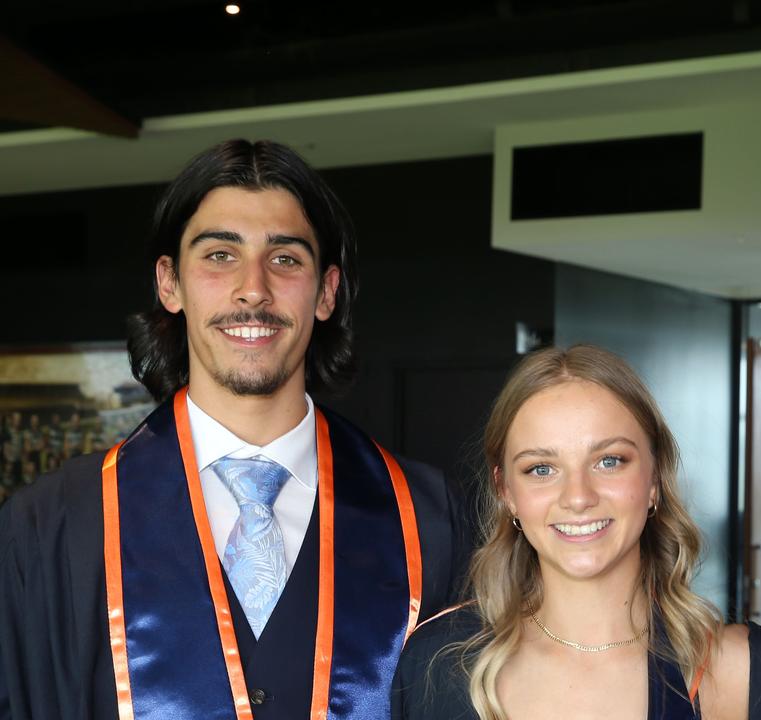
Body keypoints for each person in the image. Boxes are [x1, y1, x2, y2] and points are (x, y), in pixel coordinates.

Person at [0, 139, 471, 719]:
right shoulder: (53, 528)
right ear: (169, 283)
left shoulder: (424, 519)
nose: (254, 288)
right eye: (220, 255)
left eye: (285, 258)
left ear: (326, 292)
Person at [392, 345, 761, 719]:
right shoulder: (436, 664)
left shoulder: (745, 671)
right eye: (541, 469)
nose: (578, 497)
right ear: (506, 492)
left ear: (654, 479)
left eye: (609, 461)